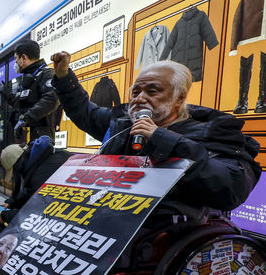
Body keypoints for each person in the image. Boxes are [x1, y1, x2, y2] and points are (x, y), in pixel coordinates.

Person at [50, 51, 261, 224]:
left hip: (163, 239)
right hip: (110, 224)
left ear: (179, 98)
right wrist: (64, 78)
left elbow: (231, 187)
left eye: (152, 91)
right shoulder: (123, 123)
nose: (140, 98)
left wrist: (162, 139)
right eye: (136, 92)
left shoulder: (212, 130)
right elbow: (86, 113)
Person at [0, 137, 73, 225]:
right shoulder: (42, 158)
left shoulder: (41, 173)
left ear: (18, 164)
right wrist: (12, 202)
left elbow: (38, 213)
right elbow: (31, 191)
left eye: (14, 171)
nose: (16, 175)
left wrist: (4, 216)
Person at [0, 40, 60, 142]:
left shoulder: (47, 74)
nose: (15, 63)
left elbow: (51, 100)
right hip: (25, 133)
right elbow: (20, 104)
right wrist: (6, 93)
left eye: (16, 59)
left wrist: (26, 118)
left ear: (23, 57)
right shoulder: (27, 78)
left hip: (41, 136)